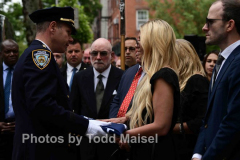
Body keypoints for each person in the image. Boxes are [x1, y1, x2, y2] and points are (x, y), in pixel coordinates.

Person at [11, 7, 110, 160]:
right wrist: (88, 126)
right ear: (52, 27)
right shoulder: (40, 56)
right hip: (39, 151)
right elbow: (43, 106)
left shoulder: (36, 54)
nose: (70, 39)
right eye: (68, 32)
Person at [118, 19, 180, 160]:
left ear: (153, 43)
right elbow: (148, 116)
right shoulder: (150, 75)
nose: (136, 46)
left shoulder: (164, 75)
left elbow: (161, 126)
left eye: (140, 41)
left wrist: (125, 135)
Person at [193, 0, 240, 159]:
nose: (204, 27)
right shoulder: (222, 61)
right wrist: (198, 153)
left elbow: (233, 123)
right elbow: (208, 118)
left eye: (210, 22)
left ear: (229, 25)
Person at [70, 38, 123, 160]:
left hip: (113, 145)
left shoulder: (122, 77)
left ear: (112, 55)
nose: (98, 57)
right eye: (94, 53)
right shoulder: (80, 77)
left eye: (103, 53)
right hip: (86, 146)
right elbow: (74, 109)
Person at [172, 39, 209, 160]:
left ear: (181, 58)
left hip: (189, 149)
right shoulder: (175, 81)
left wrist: (169, 128)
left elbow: (202, 121)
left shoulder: (197, 81)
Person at [108, 32, 144, 120]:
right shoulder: (127, 73)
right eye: (125, 49)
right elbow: (117, 100)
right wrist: (114, 122)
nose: (127, 52)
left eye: (131, 48)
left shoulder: (155, 73)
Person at [0, 39, 19, 160]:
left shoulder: (25, 72)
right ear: (1, 53)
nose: (12, 54)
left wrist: (22, 123)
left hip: (19, 132)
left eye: (15, 51)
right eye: (8, 51)